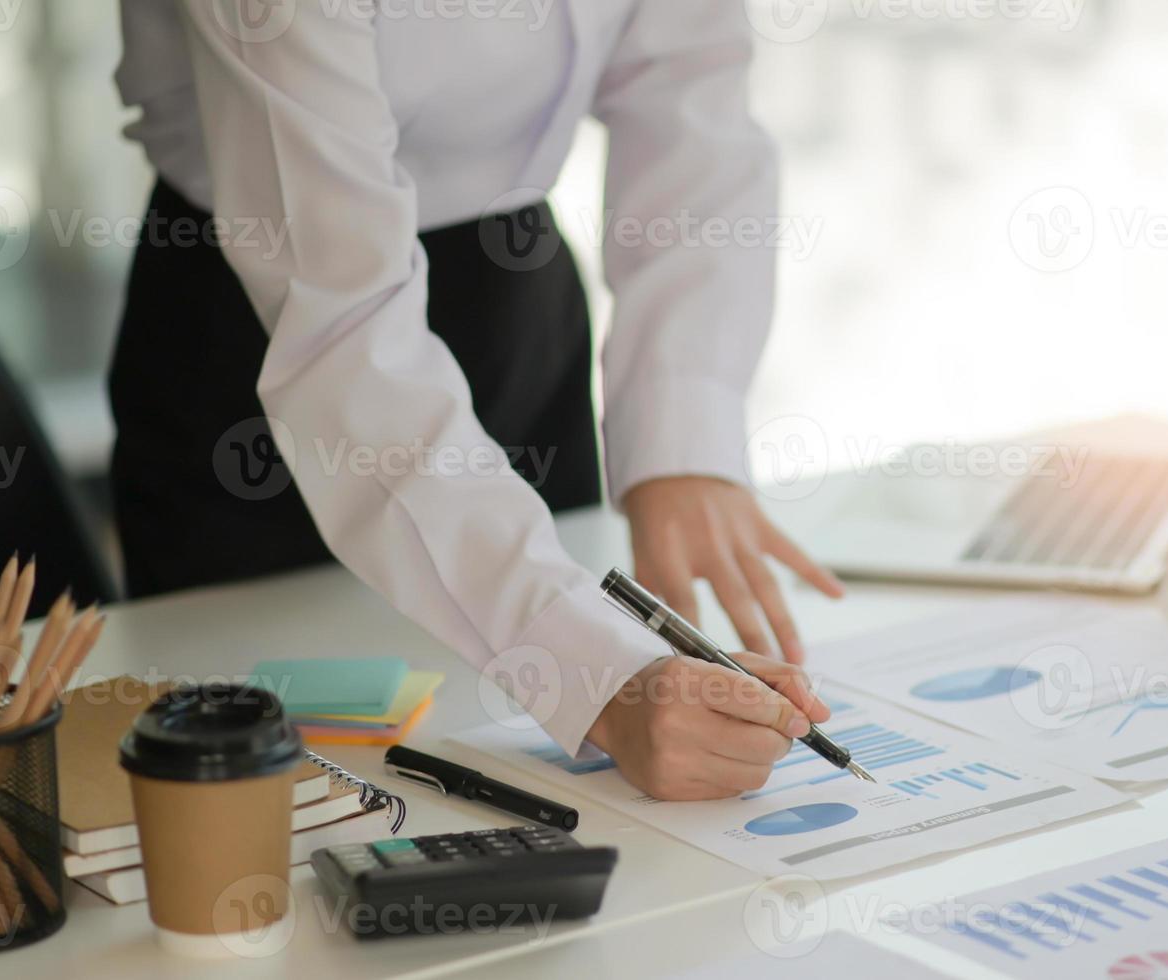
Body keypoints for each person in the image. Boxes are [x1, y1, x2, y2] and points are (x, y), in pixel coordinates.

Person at [107, 0, 844, 799]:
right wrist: (595, 676)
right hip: (263, 314)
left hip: (513, 284)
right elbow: (343, 336)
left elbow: (687, 93)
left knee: (549, 789)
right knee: (266, 793)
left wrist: (678, 436)